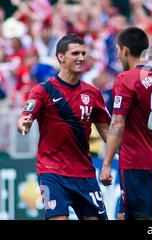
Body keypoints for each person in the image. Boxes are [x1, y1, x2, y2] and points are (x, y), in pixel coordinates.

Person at [17, 34, 111, 220]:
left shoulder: (92, 93)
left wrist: (123, 155)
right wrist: (24, 124)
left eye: (83, 53)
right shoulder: (43, 90)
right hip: (52, 173)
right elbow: (25, 116)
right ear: (61, 57)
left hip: (84, 173)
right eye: (75, 53)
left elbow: (107, 131)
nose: (81, 58)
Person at [100, 27, 152, 220]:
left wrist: (106, 163)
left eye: (117, 50)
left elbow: (117, 124)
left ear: (125, 51)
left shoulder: (125, 79)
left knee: (143, 218)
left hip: (134, 162)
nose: (118, 55)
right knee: (124, 215)